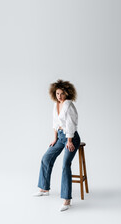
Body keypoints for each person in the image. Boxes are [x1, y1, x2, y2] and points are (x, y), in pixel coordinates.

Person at [33, 79, 81, 211]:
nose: (59, 96)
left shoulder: (68, 105)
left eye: (61, 93)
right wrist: (54, 139)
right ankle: (44, 188)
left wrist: (70, 141)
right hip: (60, 137)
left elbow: (71, 124)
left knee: (65, 165)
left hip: (71, 137)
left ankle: (67, 200)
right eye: (57, 93)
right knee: (46, 158)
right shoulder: (56, 104)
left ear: (67, 93)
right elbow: (55, 123)